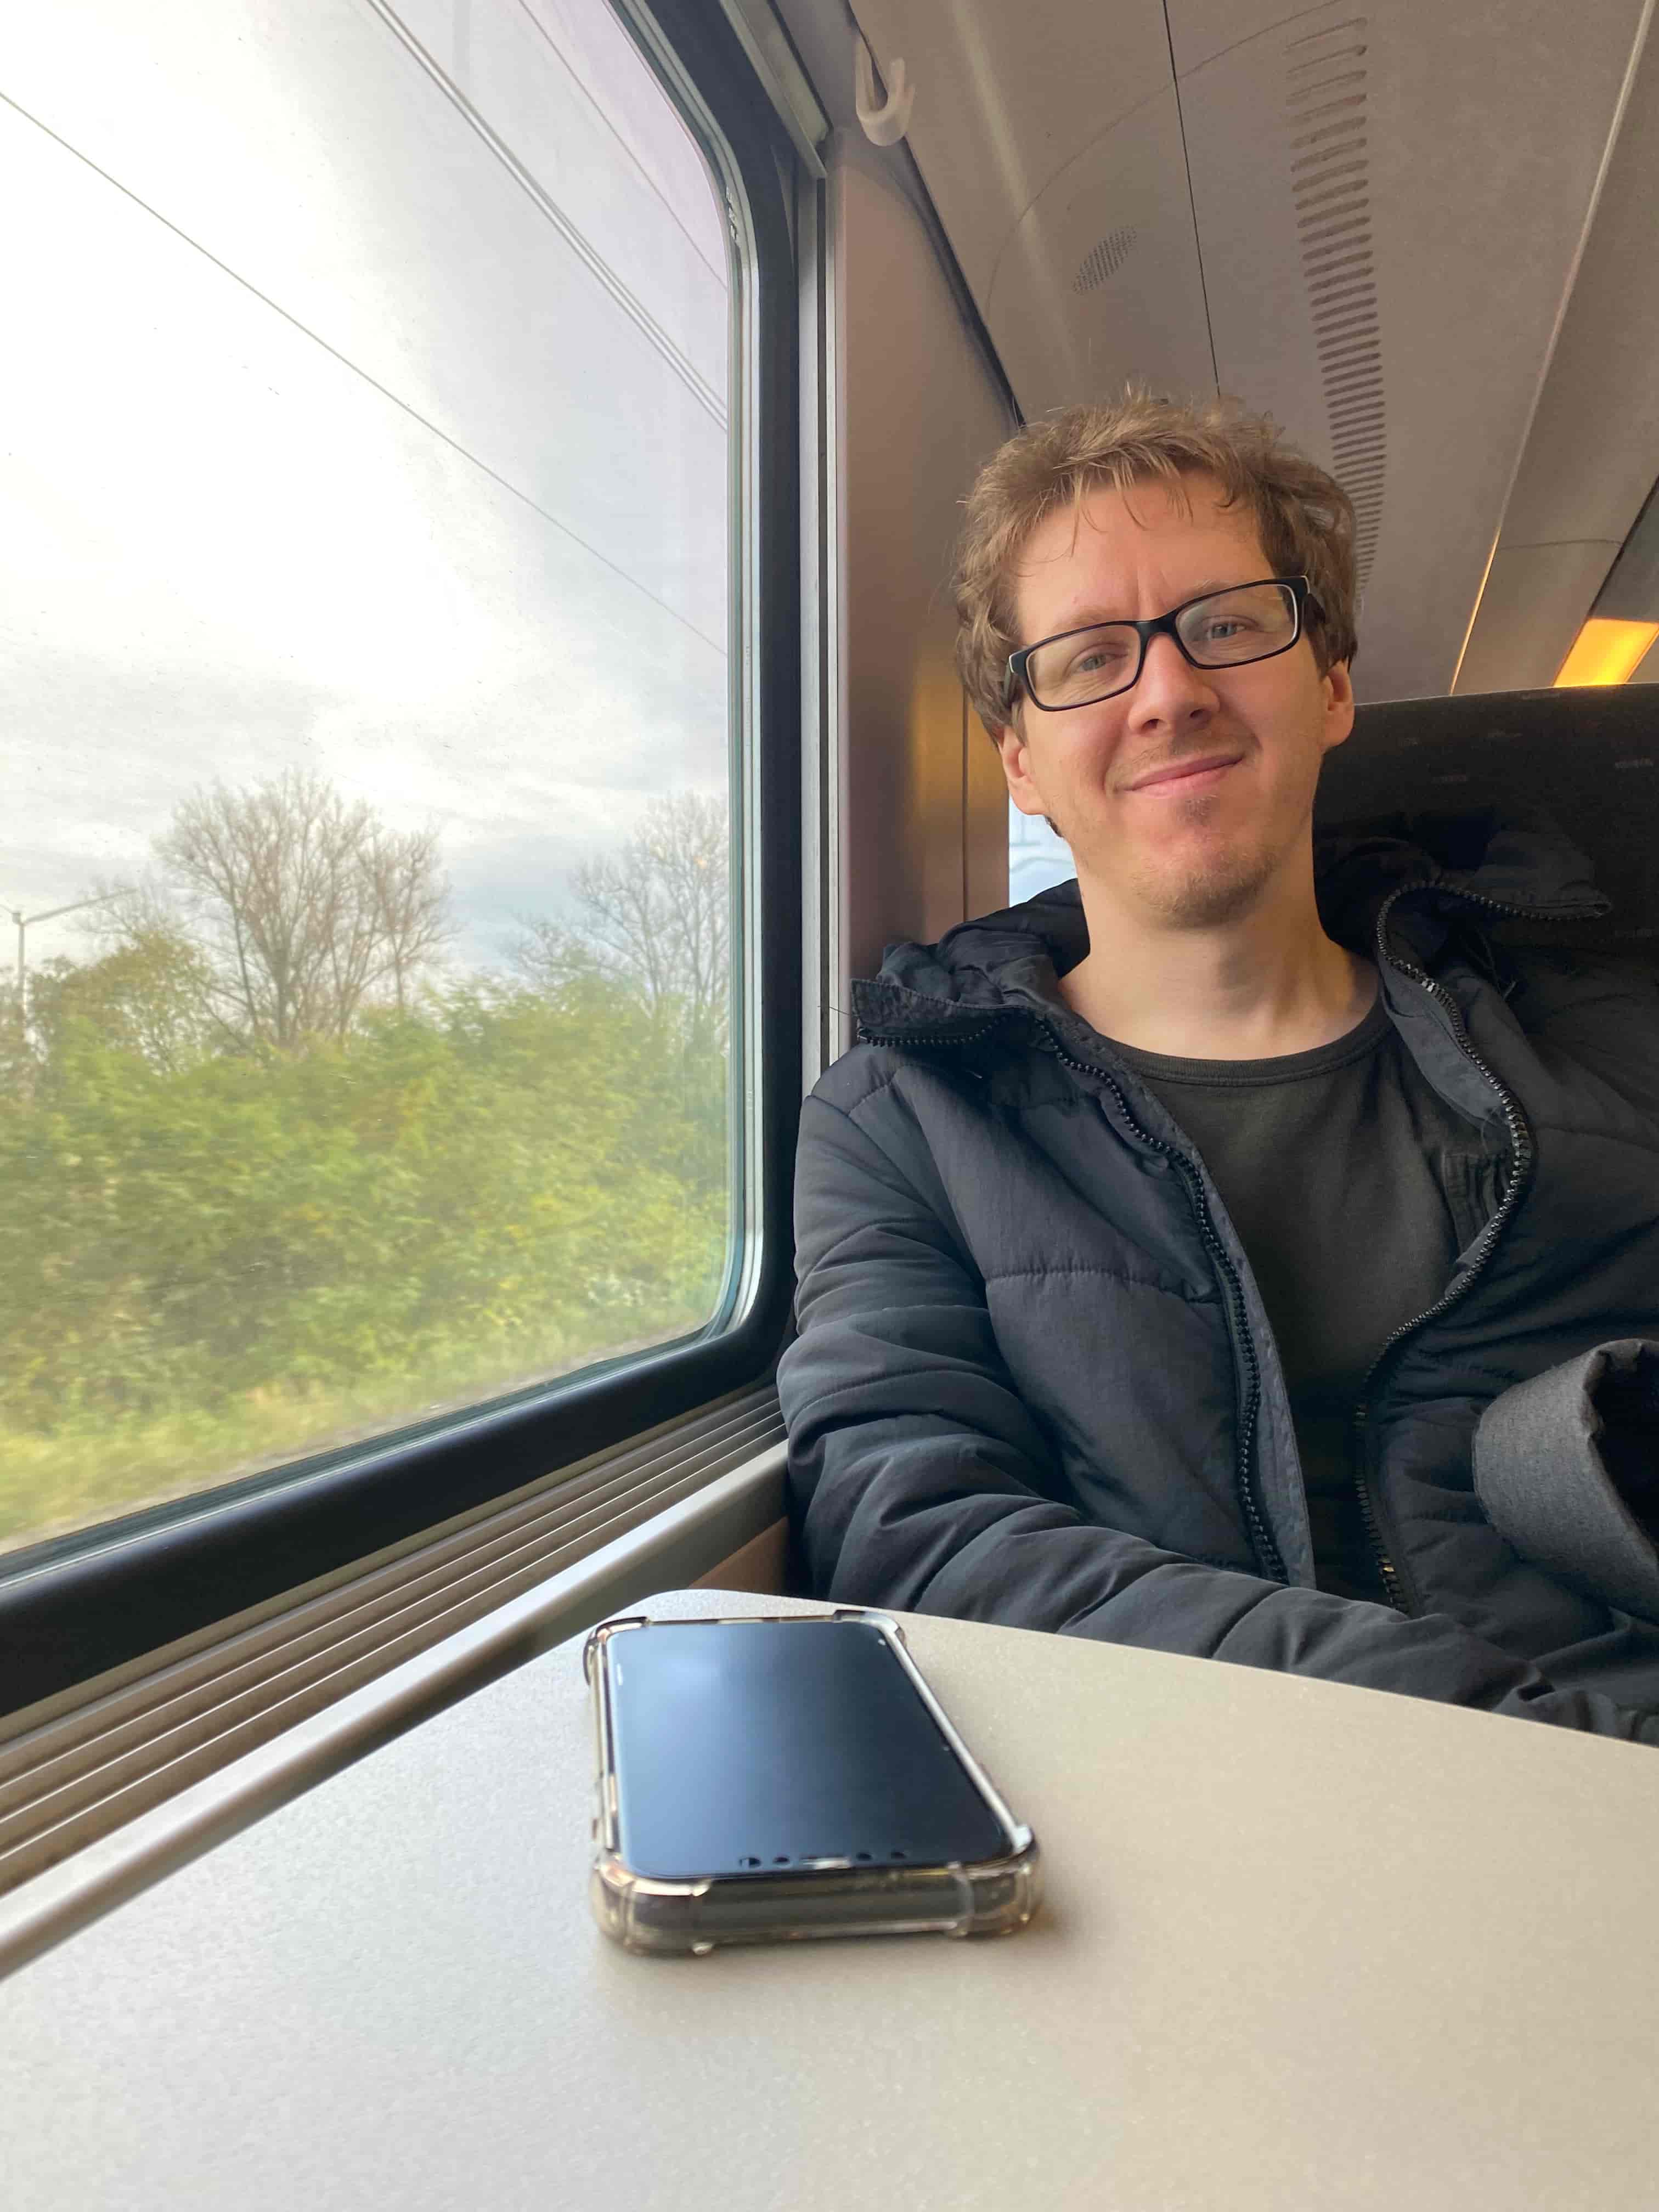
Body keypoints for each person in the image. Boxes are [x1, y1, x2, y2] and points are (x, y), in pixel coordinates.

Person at [776, 388, 1659, 1743]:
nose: (1169, 693)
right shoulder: (901, 1123)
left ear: (1334, 685)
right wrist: (1493, 1734)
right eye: (1087, 657)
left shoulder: (1605, 1042)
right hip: (1215, 1802)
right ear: (1020, 758)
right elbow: (919, 1537)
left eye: (1229, 625)